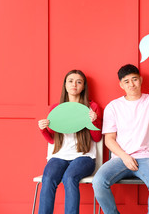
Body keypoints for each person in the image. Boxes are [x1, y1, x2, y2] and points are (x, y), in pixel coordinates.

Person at [92, 52, 149, 214]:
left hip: (148, 158)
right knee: (98, 181)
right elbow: (109, 139)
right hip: (121, 158)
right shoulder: (113, 107)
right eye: (126, 81)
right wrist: (124, 156)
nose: (131, 84)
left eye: (134, 79)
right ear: (121, 85)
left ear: (140, 80)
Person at [37, 70, 102, 214]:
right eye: (70, 81)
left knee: (69, 177)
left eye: (79, 82)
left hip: (84, 157)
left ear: (83, 86)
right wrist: (43, 129)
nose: (74, 84)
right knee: (48, 178)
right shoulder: (56, 108)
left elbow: (97, 138)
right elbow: (52, 139)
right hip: (59, 156)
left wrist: (94, 120)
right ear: (65, 85)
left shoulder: (92, 107)